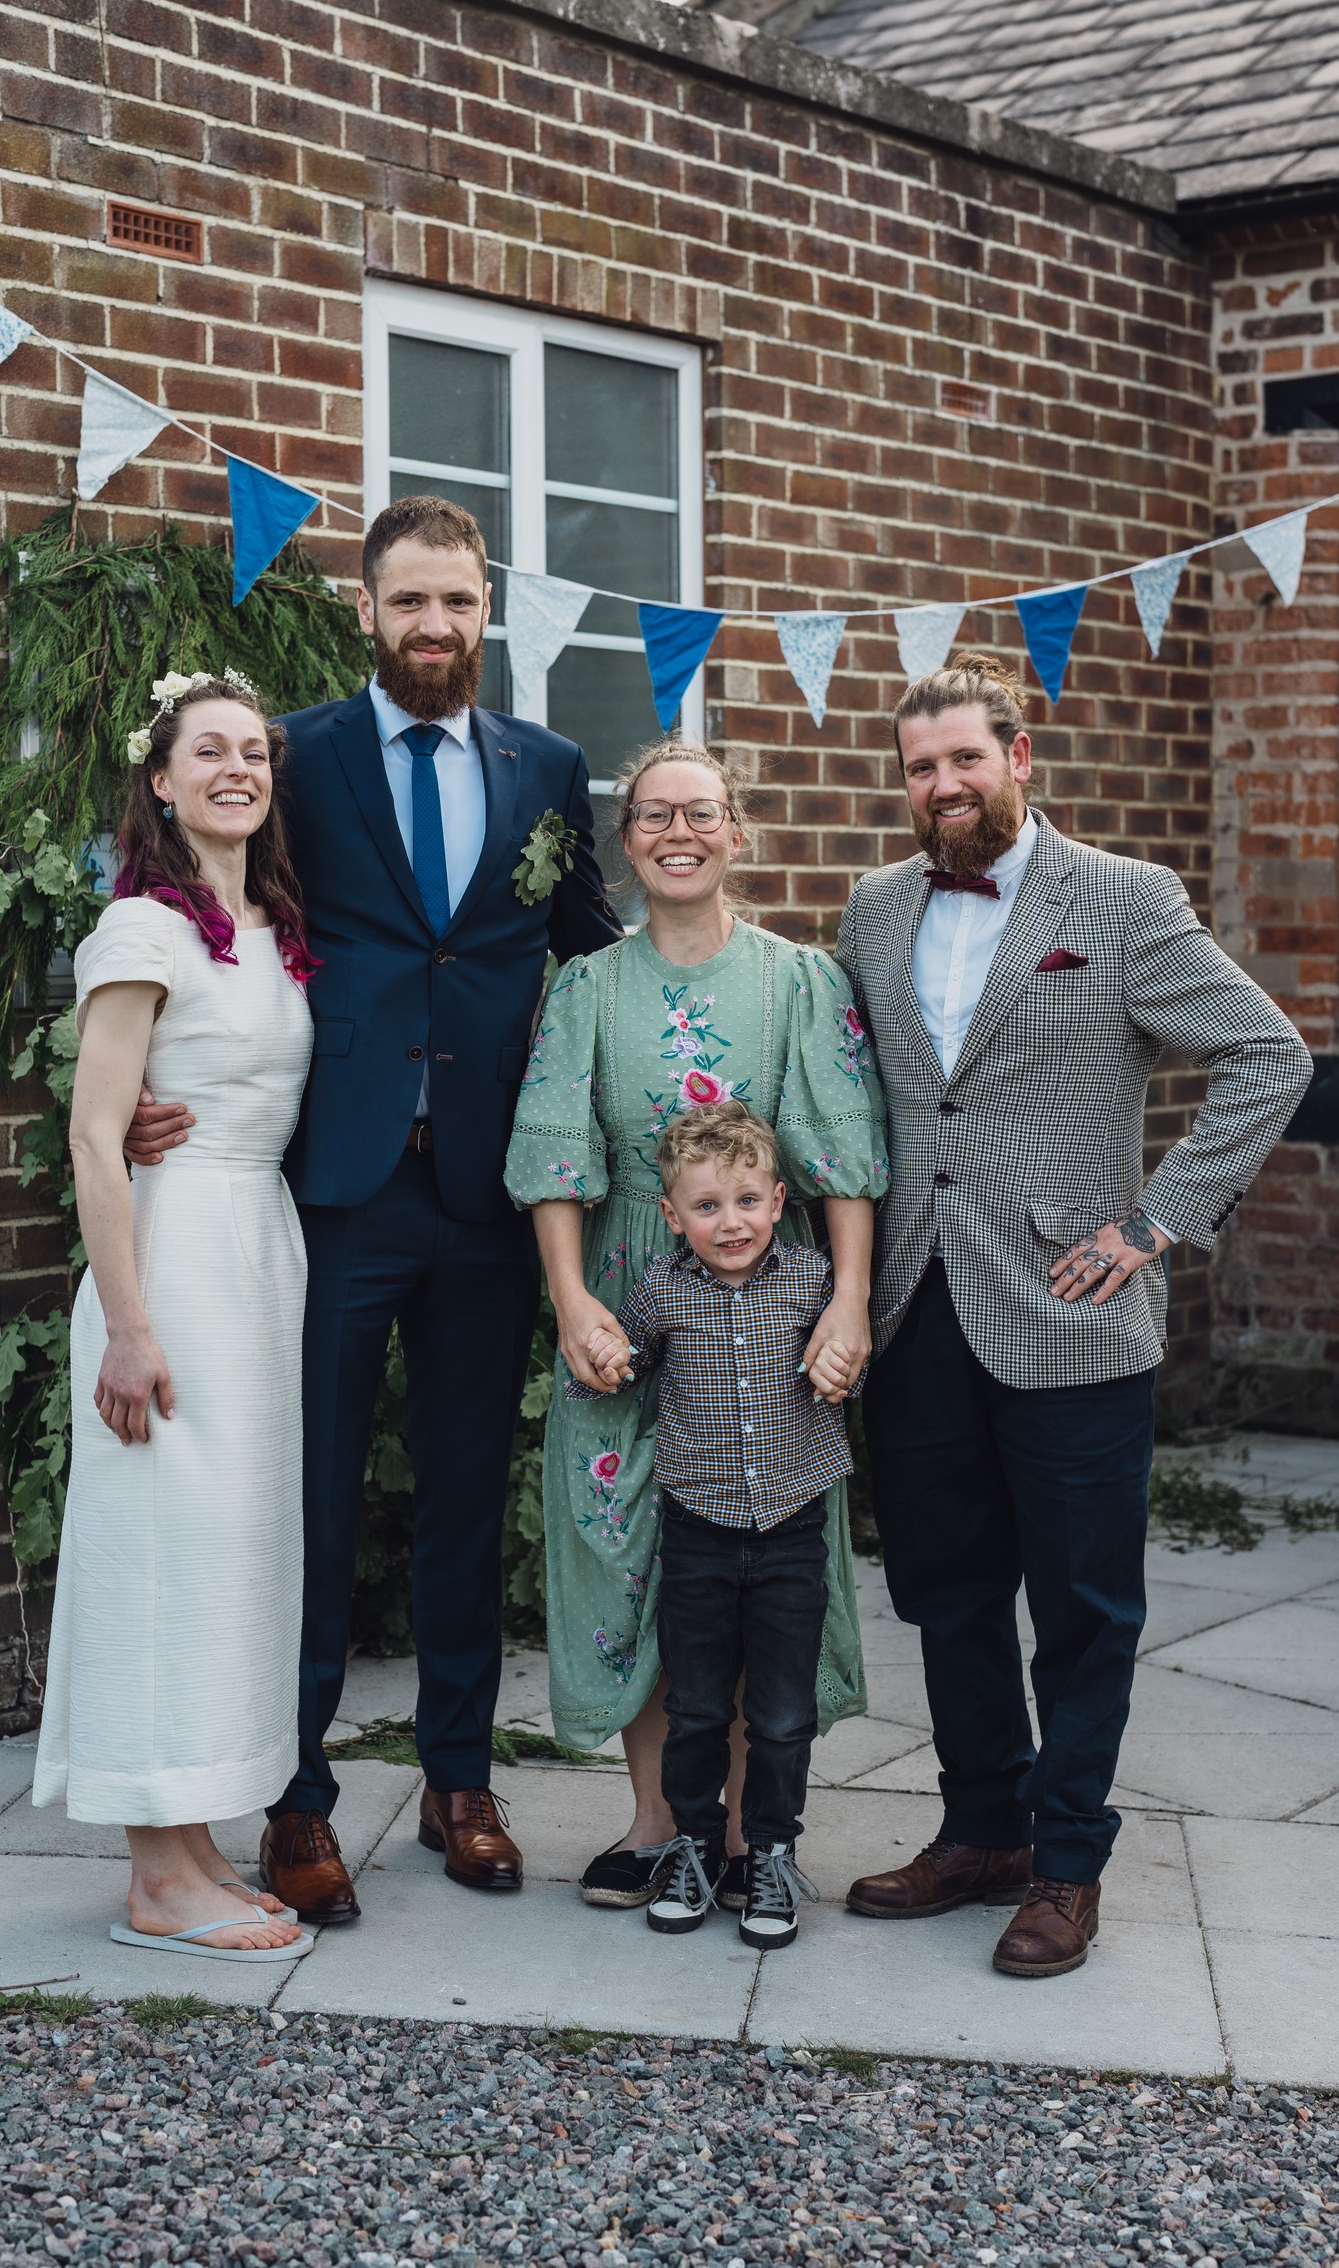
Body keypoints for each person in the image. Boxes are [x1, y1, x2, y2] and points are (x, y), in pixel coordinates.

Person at [126, 496, 620, 1920]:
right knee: (314, 1501)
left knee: (467, 1494)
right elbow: (191, 905)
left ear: (486, 610)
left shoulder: (550, 765)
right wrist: (139, 1085)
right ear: (367, 610)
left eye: (458, 602)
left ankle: (460, 1782)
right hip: (327, 1187)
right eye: (410, 602)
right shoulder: (296, 754)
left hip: (484, 1195)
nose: (436, 627)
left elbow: (586, 946)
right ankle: (297, 1798)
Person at [836, 653, 1312, 1976]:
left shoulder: (1122, 899)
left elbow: (1266, 1054)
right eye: (920, 766)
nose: (941, 785)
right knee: (947, 1592)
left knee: (1085, 1606)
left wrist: (1160, 1220)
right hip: (917, 1304)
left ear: (1019, 757)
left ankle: (1066, 1863)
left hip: (1070, 1303)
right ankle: (980, 1828)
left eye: (963, 760)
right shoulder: (872, 908)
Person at [504, 741, 888, 1910]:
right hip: (624, 1301)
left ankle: (740, 1833)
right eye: (652, 814)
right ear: (626, 844)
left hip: (770, 1319)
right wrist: (571, 1300)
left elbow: (844, 1162)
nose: (678, 831)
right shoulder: (586, 988)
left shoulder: (799, 982)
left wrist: (852, 1304)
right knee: (626, 1551)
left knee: (756, 1555)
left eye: (700, 812)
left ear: (736, 833)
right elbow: (554, 1159)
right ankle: (654, 1823)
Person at [32, 670, 315, 1961]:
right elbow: (97, 1139)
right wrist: (132, 1328)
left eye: (254, 751)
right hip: (174, 1259)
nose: (237, 769)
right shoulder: (141, 928)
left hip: (257, 1253)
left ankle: (195, 1839)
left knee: (227, 1552)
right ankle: (155, 1877)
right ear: (161, 778)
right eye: (209, 751)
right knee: (158, 1549)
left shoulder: (263, 921)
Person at [579, 1102, 863, 1952]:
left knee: (780, 1713)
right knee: (698, 1707)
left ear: (778, 1201)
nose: (729, 1222)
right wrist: (606, 1360)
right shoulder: (662, 1290)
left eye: (745, 1201)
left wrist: (843, 1371)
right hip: (698, 1530)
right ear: (672, 1216)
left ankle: (769, 1853)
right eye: (706, 1207)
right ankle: (696, 1848)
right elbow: (620, 1363)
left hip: (789, 1531)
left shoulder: (816, 1282)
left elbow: (849, 1354)